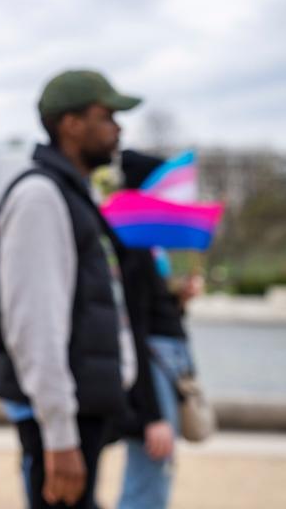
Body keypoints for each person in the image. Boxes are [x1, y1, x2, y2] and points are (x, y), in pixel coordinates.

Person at [0, 69, 141, 508]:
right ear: (71, 124)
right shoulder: (41, 197)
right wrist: (60, 436)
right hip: (59, 416)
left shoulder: (70, 195)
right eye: (106, 115)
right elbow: (35, 323)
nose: (118, 127)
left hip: (78, 407)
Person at [116, 150, 202, 509]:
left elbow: (146, 315)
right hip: (154, 368)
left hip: (162, 364)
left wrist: (177, 301)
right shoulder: (135, 248)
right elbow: (134, 330)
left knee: (153, 474)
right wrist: (150, 416)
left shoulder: (146, 247)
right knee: (149, 477)